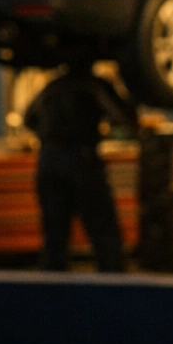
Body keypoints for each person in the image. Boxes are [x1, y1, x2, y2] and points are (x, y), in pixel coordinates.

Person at [25, 55, 138, 272]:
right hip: (81, 160)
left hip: (48, 161)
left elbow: (27, 118)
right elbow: (125, 117)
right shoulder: (94, 85)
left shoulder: (51, 86)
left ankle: (52, 287)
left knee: (54, 236)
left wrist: (49, 137)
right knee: (104, 233)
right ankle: (114, 287)